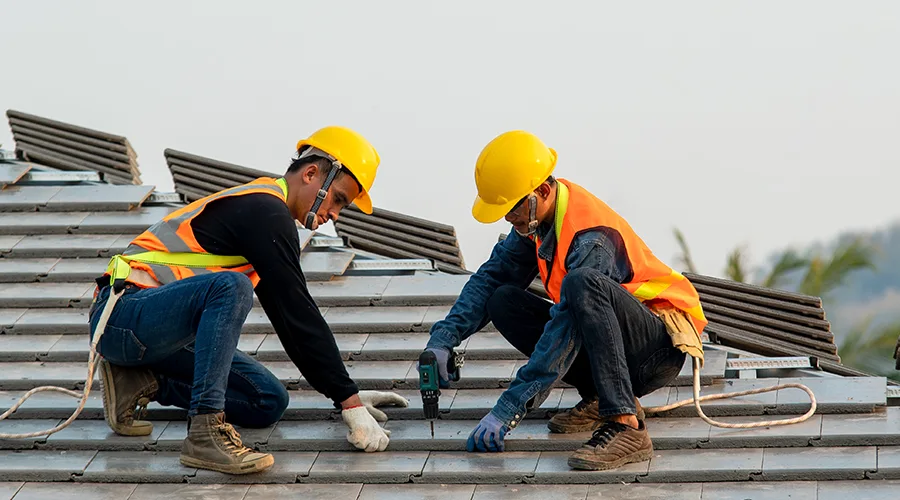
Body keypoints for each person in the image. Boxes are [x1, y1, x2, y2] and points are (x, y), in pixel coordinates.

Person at [88, 126, 407, 475]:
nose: (335, 214)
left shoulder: (266, 219)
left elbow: (290, 320)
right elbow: (298, 312)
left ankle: (140, 381)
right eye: (339, 199)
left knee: (267, 400)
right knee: (232, 287)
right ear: (312, 173)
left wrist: (348, 396)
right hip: (121, 315)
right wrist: (349, 401)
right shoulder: (265, 212)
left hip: (155, 334)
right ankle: (205, 433)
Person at [424, 130, 707, 471]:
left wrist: (510, 407)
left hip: (657, 348)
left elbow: (564, 328)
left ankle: (625, 424)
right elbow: (491, 278)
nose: (507, 218)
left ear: (541, 191)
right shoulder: (538, 220)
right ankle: (604, 395)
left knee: (582, 284)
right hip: (616, 346)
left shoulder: (591, 239)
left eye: (511, 207)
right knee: (503, 300)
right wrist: (444, 338)